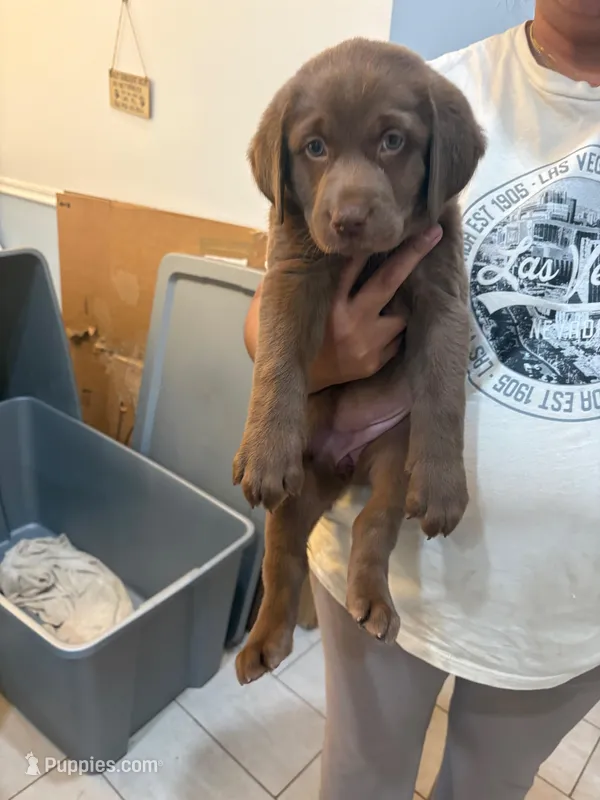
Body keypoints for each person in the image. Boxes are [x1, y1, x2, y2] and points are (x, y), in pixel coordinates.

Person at [244, 2, 600, 797]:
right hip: (403, 570)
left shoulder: (438, 139)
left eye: (391, 144)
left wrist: (435, 451)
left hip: (574, 604)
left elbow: (445, 318)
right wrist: (298, 378)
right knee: (362, 773)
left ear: (435, 158)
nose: (350, 193)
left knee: (485, 786)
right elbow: (273, 300)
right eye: (319, 151)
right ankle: (279, 598)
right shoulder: (451, 85)